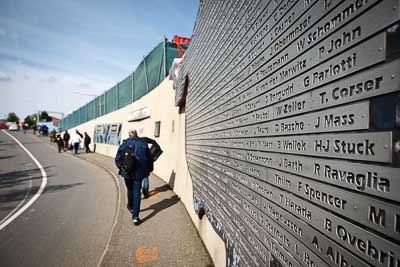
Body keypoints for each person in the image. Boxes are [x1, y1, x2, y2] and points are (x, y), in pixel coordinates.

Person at [115, 130, 153, 225]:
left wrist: (122, 168)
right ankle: (135, 217)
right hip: (139, 173)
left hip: (127, 172)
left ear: (129, 135)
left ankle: (130, 206)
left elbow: (117, 159)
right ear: (137, 135)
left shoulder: (125, 143)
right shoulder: (143, 144)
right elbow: (149, 159)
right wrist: (149, 169)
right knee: (137, 193)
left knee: (129, 189)